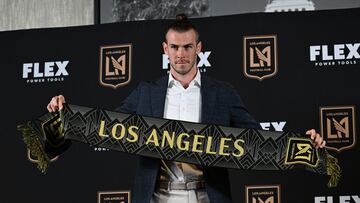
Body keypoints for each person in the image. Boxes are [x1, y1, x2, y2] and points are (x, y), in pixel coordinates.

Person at [47, 14, 326, 203]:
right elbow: (104, 128)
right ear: (165, 49)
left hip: (205, 196)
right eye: (175, 47)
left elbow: (257, 140)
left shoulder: (222, 93)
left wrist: (303, 144)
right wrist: (61, 123)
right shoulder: (146, 92)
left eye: (188, 47)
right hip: (158, 196)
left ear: (199, 48)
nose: (181, 54)